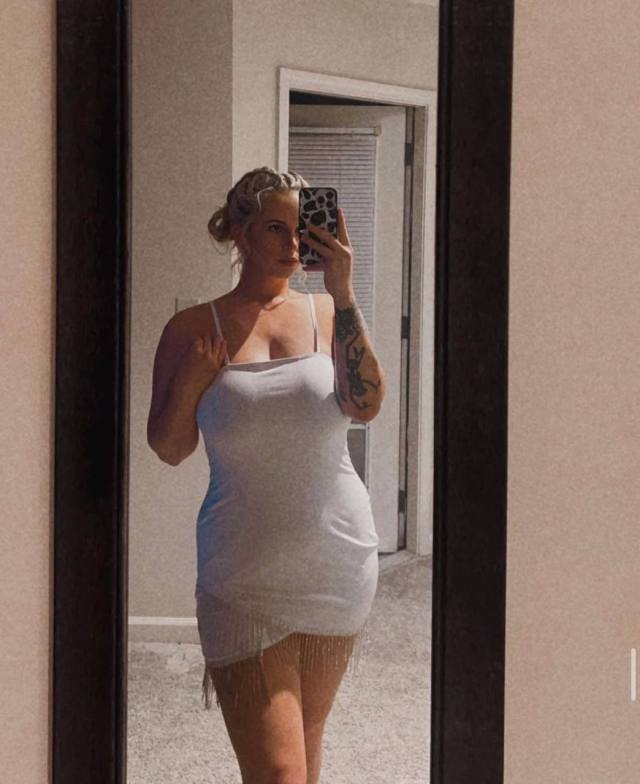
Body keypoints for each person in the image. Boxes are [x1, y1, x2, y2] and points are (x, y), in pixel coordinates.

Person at [147, 166, 386, 784]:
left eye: (301, 228)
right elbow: (169, 448)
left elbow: (365, 406)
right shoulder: (193, 329)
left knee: (305, 757)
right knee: (280, 773)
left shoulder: (328, 313)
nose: (292, 243)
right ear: (241, 233)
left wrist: (345, 293)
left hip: (337, 564)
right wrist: (192, 383)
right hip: (241, 576)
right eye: (276, 228)